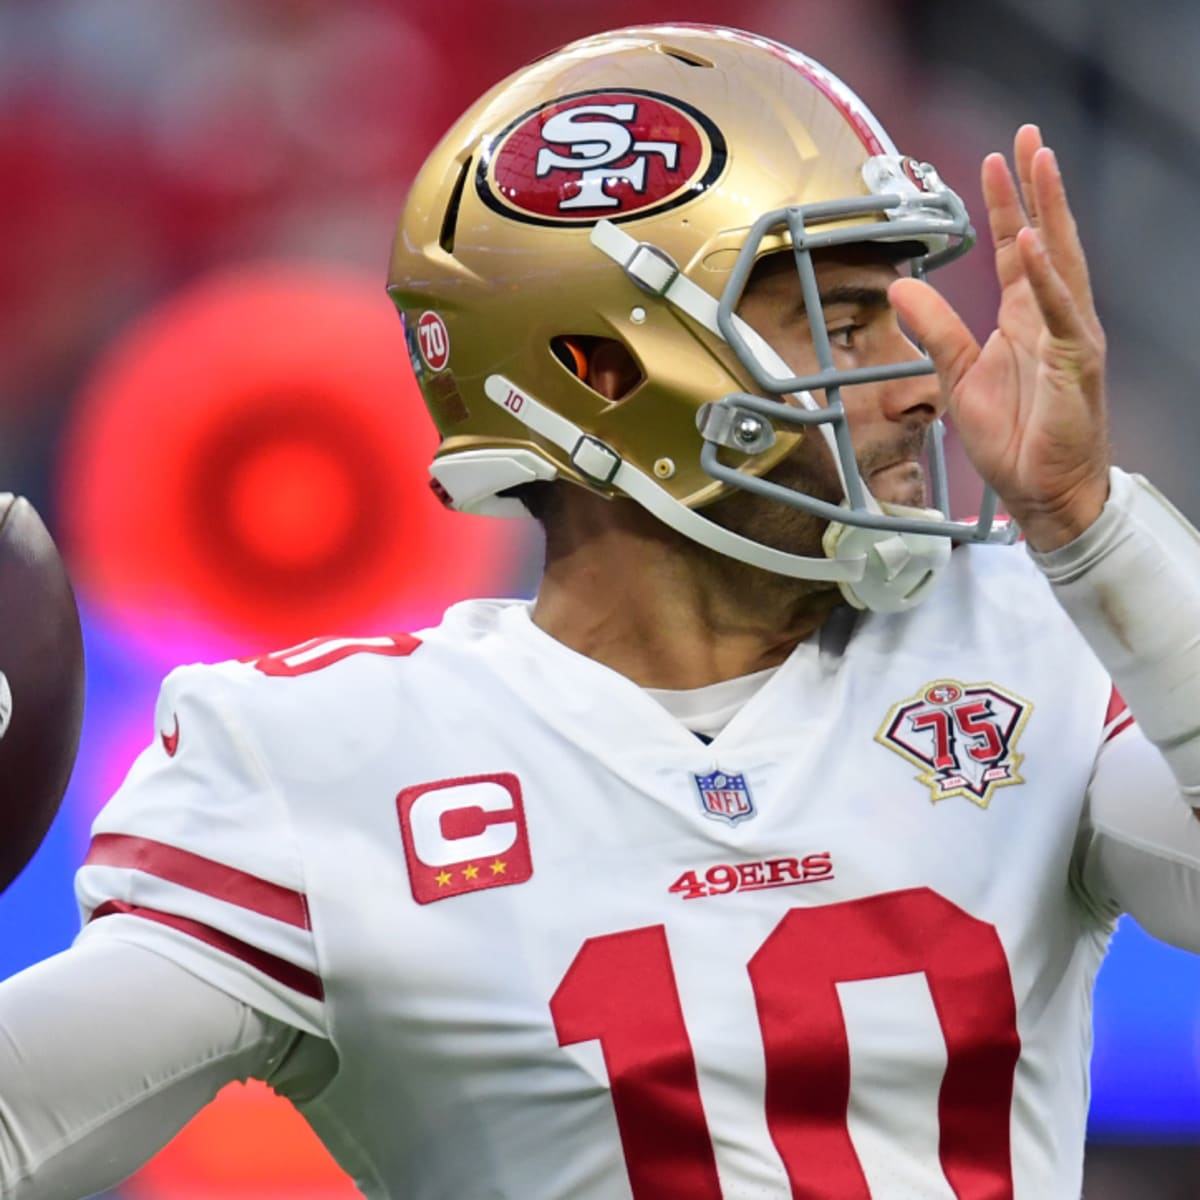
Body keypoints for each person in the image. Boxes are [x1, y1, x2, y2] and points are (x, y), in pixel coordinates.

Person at [3, 21, 1200, 1200]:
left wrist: (1092, 527)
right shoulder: (322, 762)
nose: (914, 382)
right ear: (602, 372)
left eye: (896, 312)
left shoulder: (1025, 634)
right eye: (837, 325)